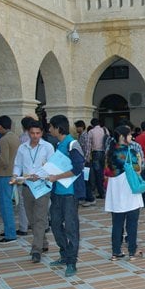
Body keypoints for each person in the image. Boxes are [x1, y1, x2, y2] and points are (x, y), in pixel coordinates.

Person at [47, 115, 86, 277]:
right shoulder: (59, 144)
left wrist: (57, 177)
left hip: (69, 193)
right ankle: (64, 253)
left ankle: (72, 261)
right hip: (57, 192)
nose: (49, 130)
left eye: (51, 127)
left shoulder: (72, 144)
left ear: (58, 128)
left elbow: (78, 167)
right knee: (55, 224)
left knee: (71, 228)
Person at [12, 120, 55, 263]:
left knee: (40, 218)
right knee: (31, 218)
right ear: (28, 133)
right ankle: (43, 242)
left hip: (42, 186)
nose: (35, 136)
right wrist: (15, 175)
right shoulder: (22, 148)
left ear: (42, 133)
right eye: (32, 133)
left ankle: (36, 250)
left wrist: (40, 174)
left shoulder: (47, 147)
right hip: (27, 186)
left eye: (38, 133)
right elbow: (18, 164)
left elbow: (51, 166)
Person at [105, 125, 145, 260]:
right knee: (132, 223)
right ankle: (132, 251)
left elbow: (107, 172)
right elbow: (138, 169)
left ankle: (115, 252)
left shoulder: (110, 152)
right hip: (129, 190)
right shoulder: (130, 152)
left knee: (117, 224)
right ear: (122, 137)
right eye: (129, 135)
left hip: (115, 191)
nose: (131, 137)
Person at [0, 116, 20, 244]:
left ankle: (10, 233)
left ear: (0, 126)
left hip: (4, 174)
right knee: (9, 204)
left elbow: (5, 161)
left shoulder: (3, 139)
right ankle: (9, 230)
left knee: (5, 204)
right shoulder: (15, 137)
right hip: (14, 172)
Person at [74, 120, 95, 207]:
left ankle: (90, 198)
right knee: (83, 180)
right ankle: (85, 197)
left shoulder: (85, 136)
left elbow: (87, 149)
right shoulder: (80, 136)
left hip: (85, 163)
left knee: (86, 181)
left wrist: (84, 161)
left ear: (81, 127)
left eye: (77, 127)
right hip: (82, 162)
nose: (76, 129)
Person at [88, 118, 108, 199]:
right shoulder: (105, 130)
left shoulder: (91, 132)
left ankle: (101, 192)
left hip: (95, 153)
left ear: (92, 124)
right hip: (104, 153)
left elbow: (88, 144)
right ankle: (105, 190)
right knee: (103, 173)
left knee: (97, 174)